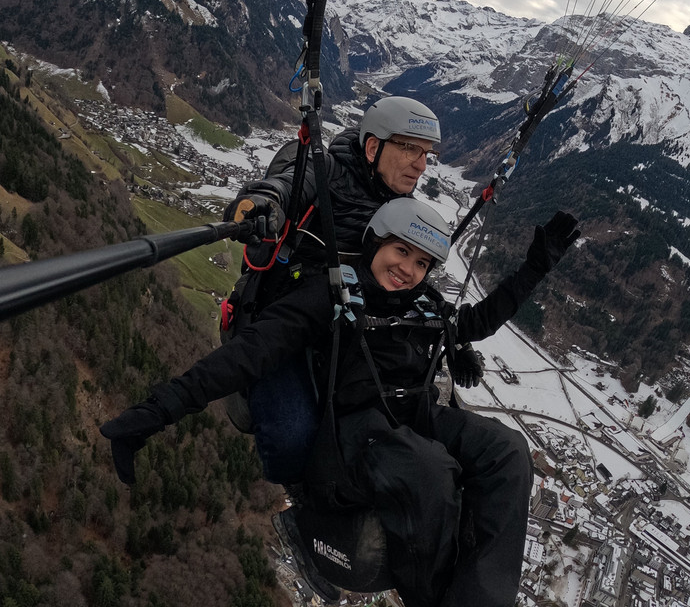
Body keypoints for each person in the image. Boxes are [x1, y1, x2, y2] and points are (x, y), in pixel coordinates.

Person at [101, 198, 581, 607]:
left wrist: (535, 267)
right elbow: (244, 358)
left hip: (413, 417)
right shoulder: (328, 298)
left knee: (509, 452)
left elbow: (478, 322)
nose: (407, 270)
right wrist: (154, 413)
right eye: (400, 252)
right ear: (376, 244)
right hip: (353, 431)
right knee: (427, 470)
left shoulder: (426, 304)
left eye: (421, 264)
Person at [218, 95, 449, 483]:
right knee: (292, 441)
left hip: (342, 324)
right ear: (374, 146)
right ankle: (299, 497)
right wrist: (262, 205)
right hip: (289, 321)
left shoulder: (398, 200)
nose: (421, 165)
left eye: (426, 154)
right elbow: (287, 186)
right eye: (411, 148)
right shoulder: (325, 171)